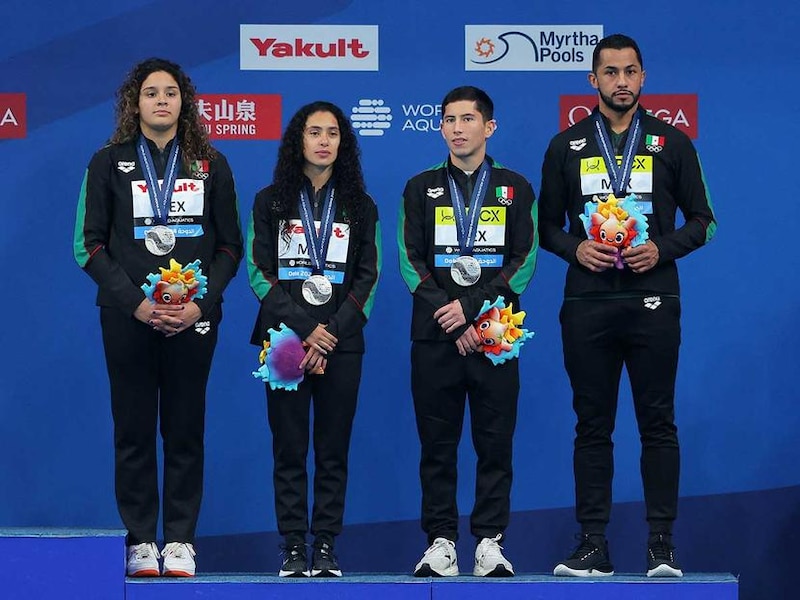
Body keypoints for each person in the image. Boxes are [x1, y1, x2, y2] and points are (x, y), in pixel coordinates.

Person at [538, 33, 717, 578]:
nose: (620, 81)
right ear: (592, 80)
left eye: (630, 71)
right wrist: (576, 247)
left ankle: (661, 544)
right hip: (587, 303)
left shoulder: (672, 142)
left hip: (654, 301)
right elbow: (543, 226)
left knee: (657, 423)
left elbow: (704, 221)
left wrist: (661, 247)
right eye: (610, 72)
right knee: (592, 426)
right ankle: (593, 544)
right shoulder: (564, 145)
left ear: (643, 79)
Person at [73, 58, 243, 577]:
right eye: (151, 93)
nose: (162, 101)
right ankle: (142, 539)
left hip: (193, 317)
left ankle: (182, 541)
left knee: (185, 429)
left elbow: (231, 246)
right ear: (136, 103)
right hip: (128, 317)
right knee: (133, 428)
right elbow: (89, 245)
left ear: (184, 103)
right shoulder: (108, 162)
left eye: (171, 92)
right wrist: (138, 304)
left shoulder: (212, 163)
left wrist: (198, 304)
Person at [398, 86, 538, 577]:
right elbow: (410, 262)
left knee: (494, 443)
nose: (457, 128)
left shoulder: (515, 187)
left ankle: (489, 542)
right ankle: (440, 541)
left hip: (496, 333)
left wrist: (472, 310)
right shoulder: (419, 188)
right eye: (449, 120)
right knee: (437, 445)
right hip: (436, 336)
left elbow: (524, 261)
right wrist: (449, 313)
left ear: (489, 127)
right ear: (440, 127)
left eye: (468, 119)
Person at [248, 101, 381, 578]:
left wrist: (332, 333)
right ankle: (291, 547)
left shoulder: (361, 206)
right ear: (297, 141)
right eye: (313, 132)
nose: (324, 140)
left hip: (342, 342)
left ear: (343, 143)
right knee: (288, 447)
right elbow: (259, 275)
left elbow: (369, 278)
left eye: (332, 132)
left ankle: (324, 544)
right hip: (283, 339)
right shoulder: (270, 202)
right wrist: (306, 329)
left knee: (332, 448)